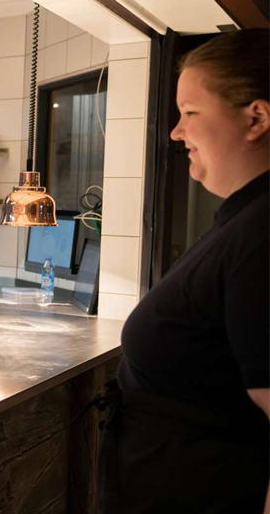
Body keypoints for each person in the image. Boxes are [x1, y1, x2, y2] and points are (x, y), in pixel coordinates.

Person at [101, 29, 269, 513]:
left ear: (256, 118)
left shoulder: (263, 234)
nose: (176, 132)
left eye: (190, 113)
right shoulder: (243, 219)